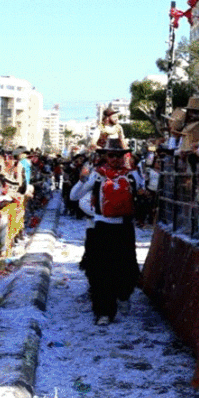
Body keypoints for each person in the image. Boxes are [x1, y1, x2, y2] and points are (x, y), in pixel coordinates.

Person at [68, 139, 144, 325]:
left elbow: (143, 194)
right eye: (111, 155)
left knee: (126, 268)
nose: (115, 159)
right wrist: (82, 180)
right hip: (102, 227)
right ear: (104, 156)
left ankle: (124, 295)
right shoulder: (97, 176)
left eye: (119, 155)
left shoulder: (133, 176)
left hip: (124, 227)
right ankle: (104, 311)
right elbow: (73, 196)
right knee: (101, 271)